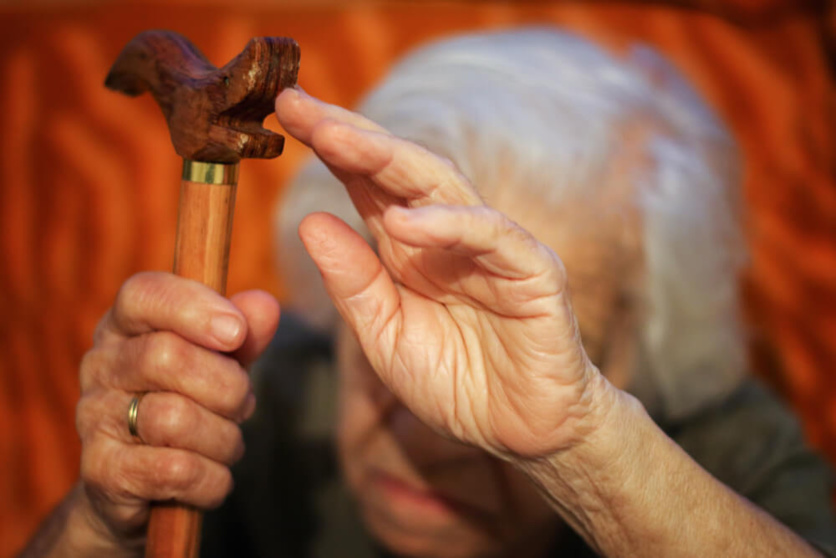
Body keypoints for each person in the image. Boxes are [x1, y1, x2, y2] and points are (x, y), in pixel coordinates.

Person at [20, 28, 836, 558]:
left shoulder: (725, 463)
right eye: (397, 314)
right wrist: (99, 526)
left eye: (541, 345)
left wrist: (583, 451)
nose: (432, 436)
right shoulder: (257, 401)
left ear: (647, 353)